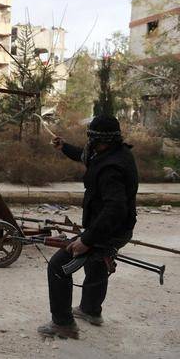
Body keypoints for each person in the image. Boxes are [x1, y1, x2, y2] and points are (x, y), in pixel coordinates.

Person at [38, 115, 138, 339]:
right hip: (112, 228)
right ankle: (90, 310)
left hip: (108, 231)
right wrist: (64, 147)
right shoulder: (114, 153)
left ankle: (63, 324)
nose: (89, 142)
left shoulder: (111, 168)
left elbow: (115, 209)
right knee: (96, 263)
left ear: (97, 139)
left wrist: (86, 240)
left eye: (91, 137)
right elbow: (85, 156)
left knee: (58, 266)